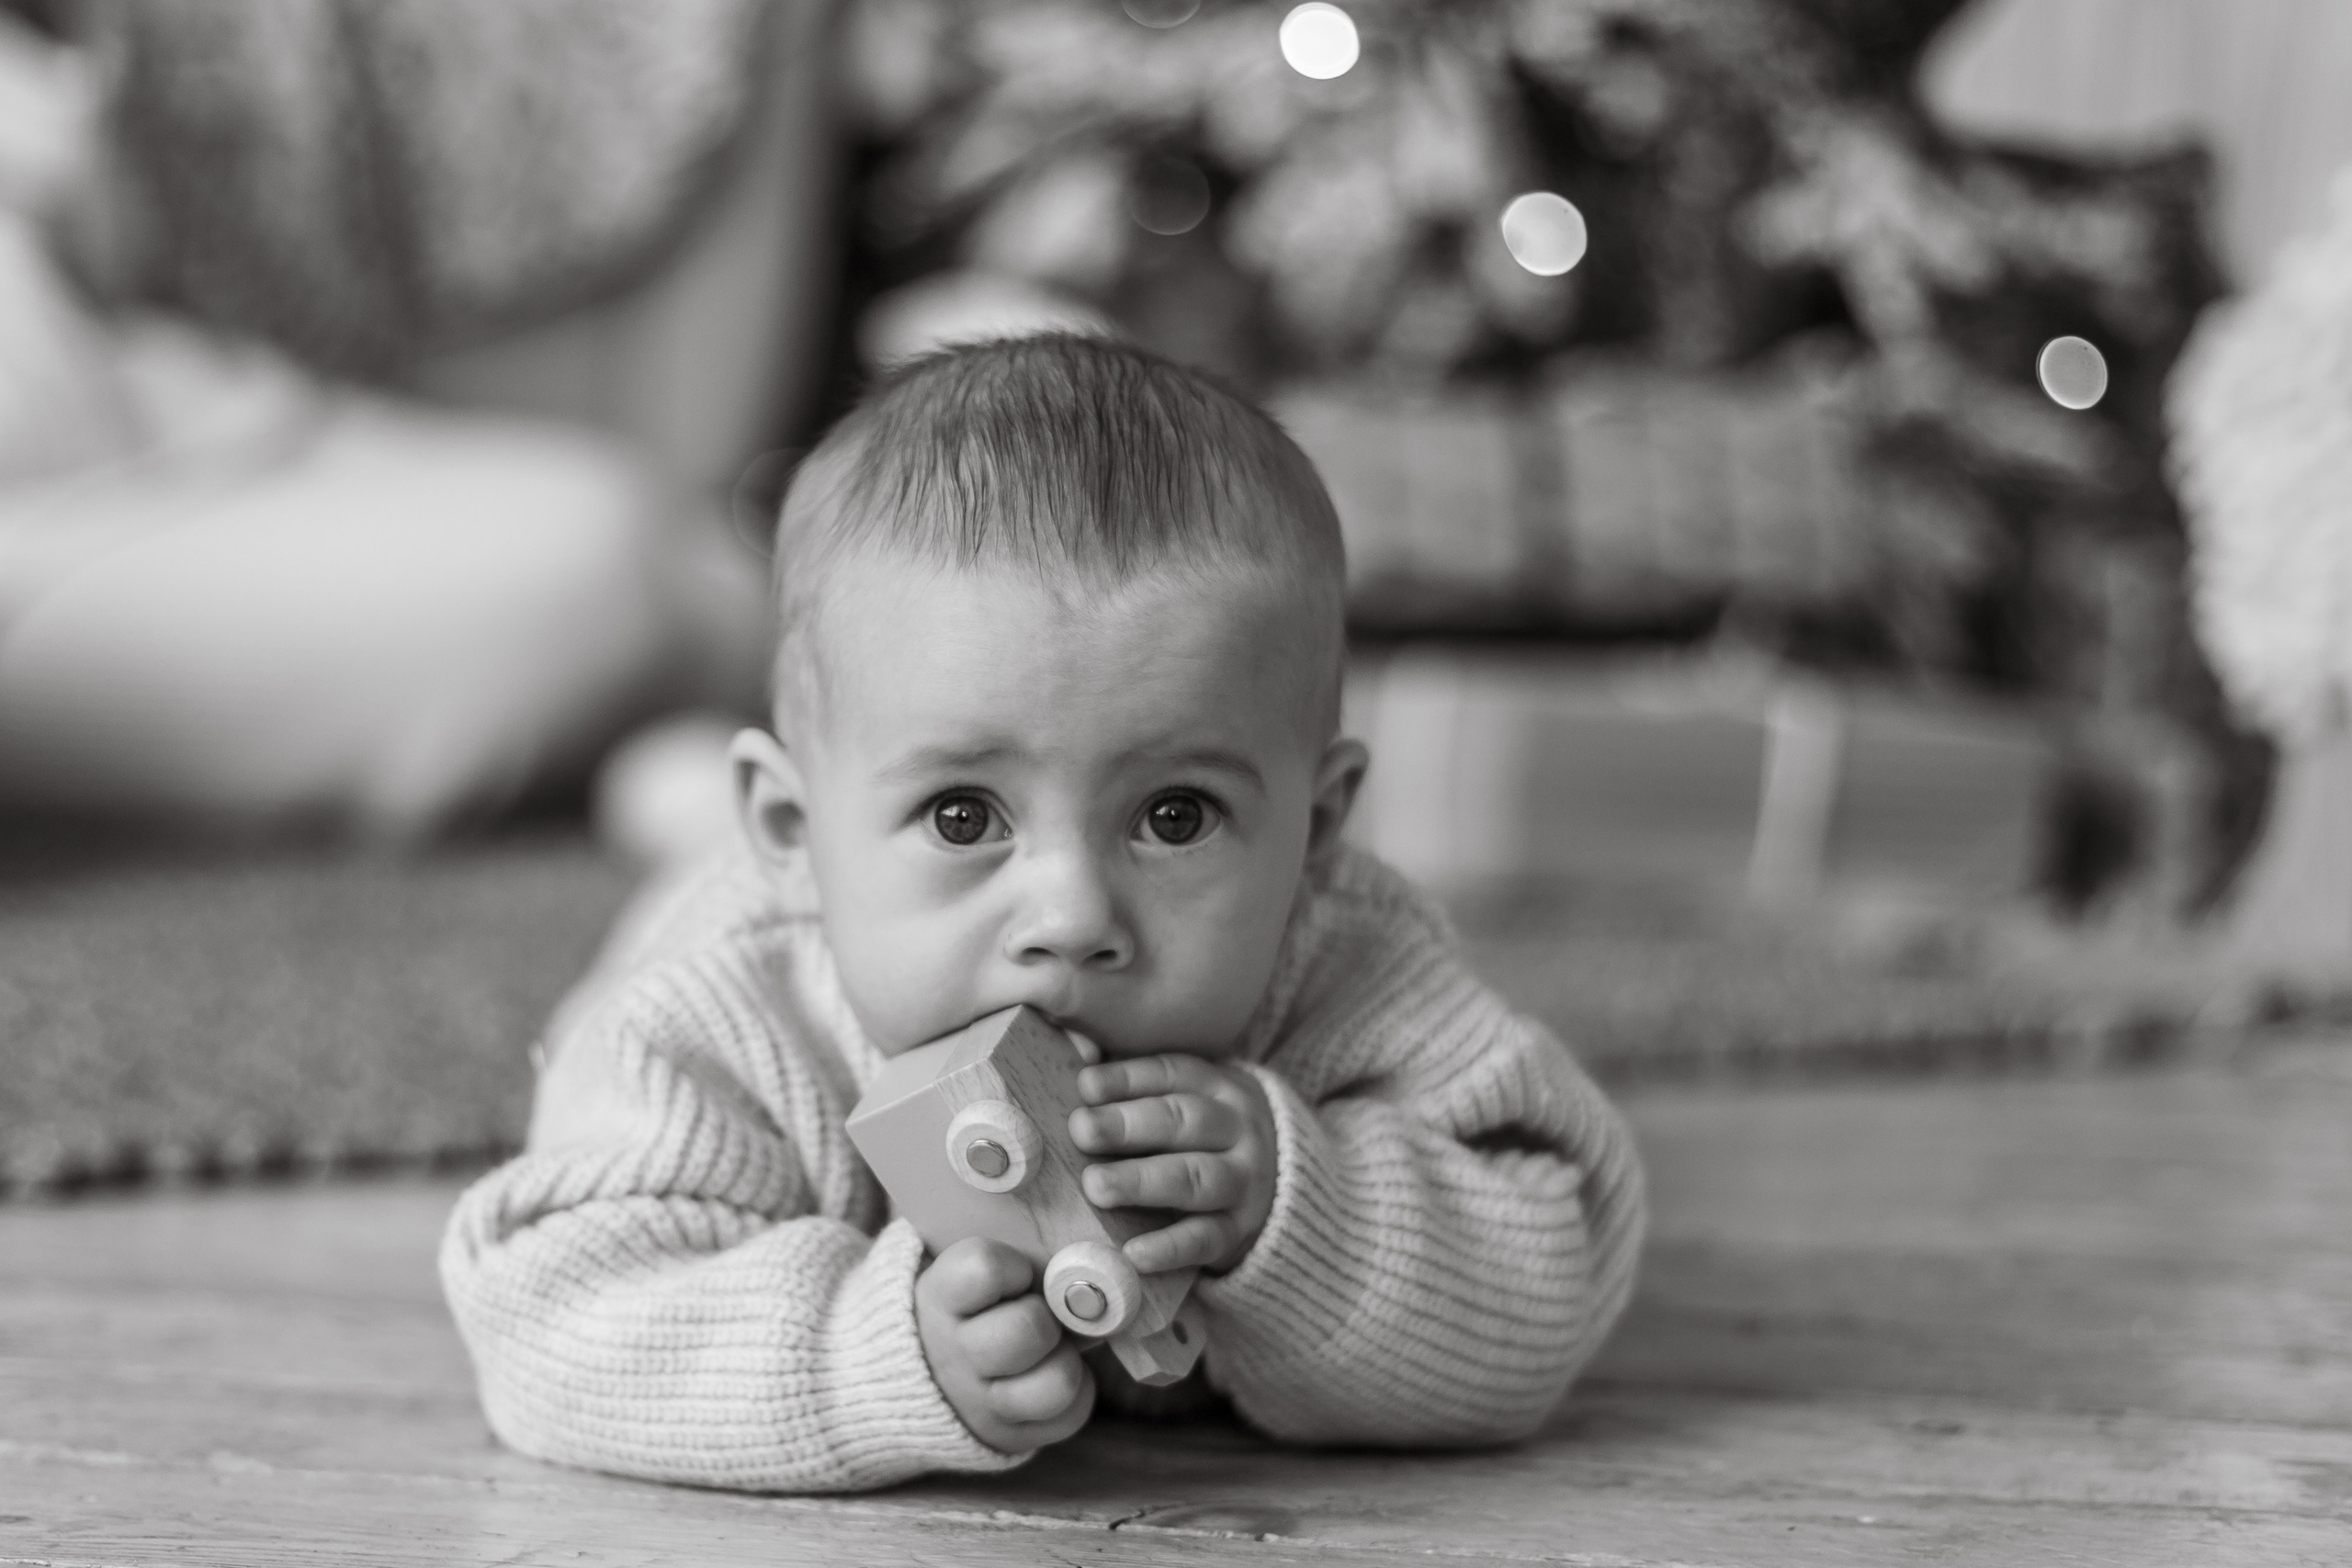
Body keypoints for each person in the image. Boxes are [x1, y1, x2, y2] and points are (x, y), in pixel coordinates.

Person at [438, 334, 1646, 1492]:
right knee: (666, 900)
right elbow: (548, 1328)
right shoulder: (721, 1027)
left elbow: (1557, 1264)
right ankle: (685, 823)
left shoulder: (1353, 978)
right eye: (964, 817)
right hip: (716, 915)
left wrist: (1303, 1200)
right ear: (797, 838)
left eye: (1175, 816)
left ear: (1317, 836)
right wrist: (879, 1353)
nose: (1071, 917)